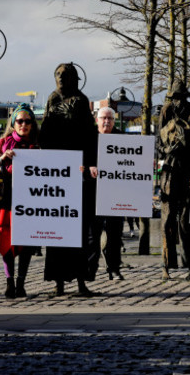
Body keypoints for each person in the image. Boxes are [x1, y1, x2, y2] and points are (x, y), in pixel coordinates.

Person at [39, 62, 98, 297]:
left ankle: (82, 281)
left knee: (80, 229)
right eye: (58, 74)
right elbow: (44, 134)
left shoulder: (81, 101)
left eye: (65, 75)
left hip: (78, 170)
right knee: (57, 228)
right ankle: (59, 283)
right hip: (57, 171)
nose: (61, 78)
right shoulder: (52, 99)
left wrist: (89, 163)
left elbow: (90, 136)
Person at [0, 104, 39, 298]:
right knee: (5, 239)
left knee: (26, 244)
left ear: (32, 124)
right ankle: (9, 282)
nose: (23, 124)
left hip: (31, 200)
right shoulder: (3, 143)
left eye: (27, 121)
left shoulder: (38, 144)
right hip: (7, 200)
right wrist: (1, 158)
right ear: (13, 123)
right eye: (20, 121)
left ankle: (21, 283)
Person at [157, 79, 190, 280]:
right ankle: (166, 264)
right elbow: (158, 142)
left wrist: (187, 146)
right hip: (169, 172)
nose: (178, 101)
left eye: (180, 97)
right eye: (175, 98)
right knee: (167, 220)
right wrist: (167, 149)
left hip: (187, 171)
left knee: (186, 222)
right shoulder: (166, 111)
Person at [91, 107, 126, 280]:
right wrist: (89, 167)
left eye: (110, 118)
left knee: (115, 233)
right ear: (97, 120)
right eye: (103, 118)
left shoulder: (123, 138)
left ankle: (114, 268)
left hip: (116, 193)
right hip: (93, 192)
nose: (107, 121)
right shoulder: (89, 137)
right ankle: (90, 269)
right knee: (92, 233)